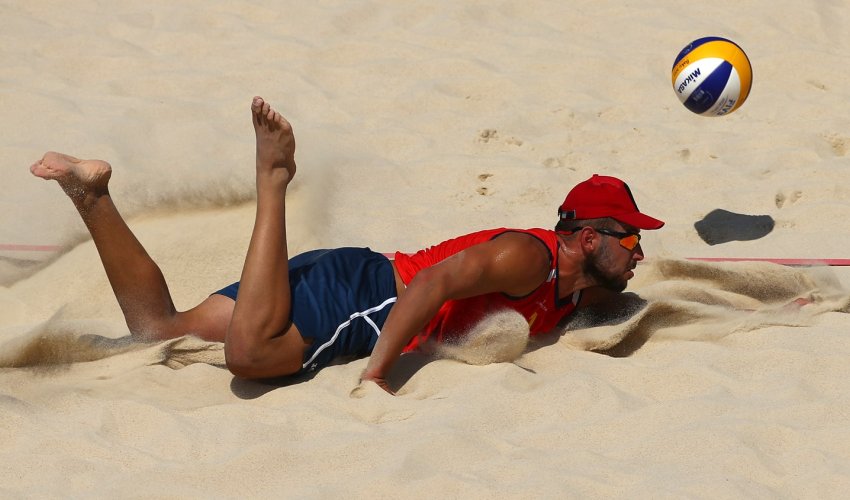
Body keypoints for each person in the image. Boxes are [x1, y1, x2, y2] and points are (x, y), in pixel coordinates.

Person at [30, 96, 664, 394]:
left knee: (156, 329)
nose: (640, 252)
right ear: (587, 238)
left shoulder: (574, 292)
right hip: (370, 297)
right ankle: (273, 180)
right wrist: (378, 372)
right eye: (632, 238)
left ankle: (92, 196)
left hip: (345, 273)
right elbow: (435, 283)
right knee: (249, 357)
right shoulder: (528, 257)